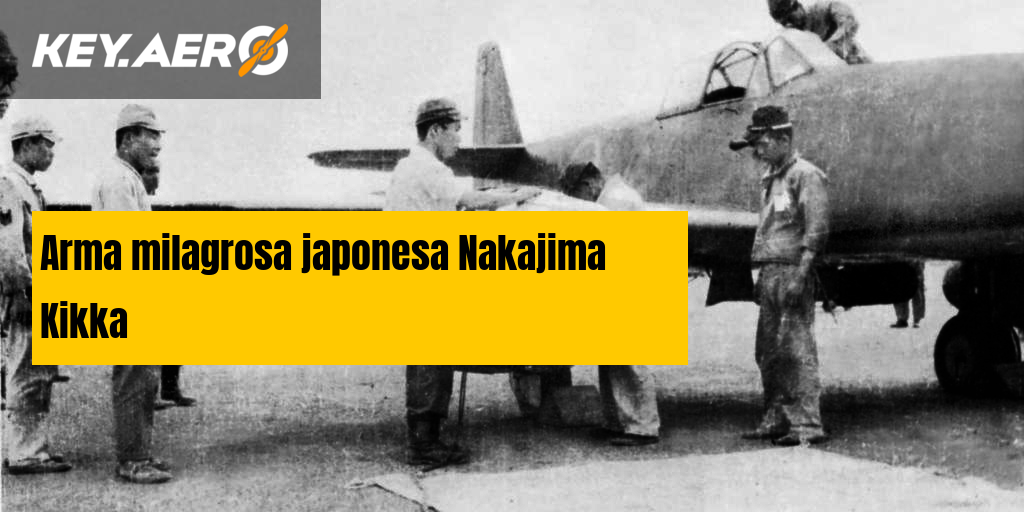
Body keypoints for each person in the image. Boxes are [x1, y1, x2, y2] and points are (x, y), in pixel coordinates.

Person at [387, 98, 539, 467]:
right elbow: (470, 199)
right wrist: (518, 196)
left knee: (428, 357)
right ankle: (424, 445)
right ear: (435, 131)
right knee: (432, 359)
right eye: (455, 130)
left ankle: (426, 438)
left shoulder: (407, 167)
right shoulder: (429, 168)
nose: (459, 139)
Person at [729, 105, 829, 446]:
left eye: (762, 143)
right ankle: (777, 418)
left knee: (796, 350)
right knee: (769, 352)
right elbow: (770, 229)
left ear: (784, 140)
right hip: (772, 272)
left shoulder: (806, 175)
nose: (757, 151)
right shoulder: (772, 178)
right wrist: (762, 276)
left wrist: (801, 276)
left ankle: (806, 424)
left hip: (792, 271)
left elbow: (817, 230)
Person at [91, 104, 173, 484]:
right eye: (150, 136)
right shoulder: (118, 180)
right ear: (127, 138)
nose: (157, 144)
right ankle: (132, 460)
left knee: (144, 379)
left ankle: (140, 453)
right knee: (133, 379)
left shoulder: (128, 177)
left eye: (158, 136)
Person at [559, 163, 660, 446]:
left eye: (576, 195)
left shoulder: (615, 201)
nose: (578, 201)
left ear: (588, 185)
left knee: (630, 361)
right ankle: (617, 421)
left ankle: (642, 427)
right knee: (613, 359)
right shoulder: (611, 197)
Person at [1, 117, 73, 474]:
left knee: (39, 372)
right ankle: (24, 452)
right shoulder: (10, 186)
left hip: (34, 290)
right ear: (27, 144)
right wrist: (22, 291)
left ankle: (33, 447)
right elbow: (10, 248)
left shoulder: (25, 185)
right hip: (26, 292)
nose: (51, 152)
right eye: (47, 144)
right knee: (26, 371)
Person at [768, 0, 872, 65]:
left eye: (790, 18)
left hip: (857, 64)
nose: (789, 24)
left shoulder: (822, 9)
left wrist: (831, 45)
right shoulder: (794, 39)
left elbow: (850, 21)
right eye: (784, 23)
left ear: (797, 6)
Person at [891, 260, 925, 328]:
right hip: (900, 259)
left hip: (914, 260)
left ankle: (917, 319)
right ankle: (902, 318)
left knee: (917, 287)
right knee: (898, 286)